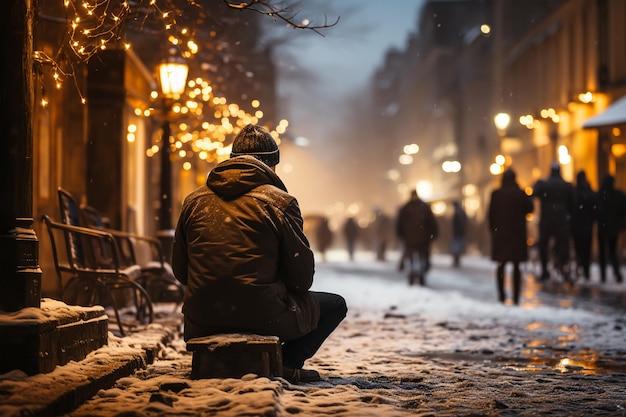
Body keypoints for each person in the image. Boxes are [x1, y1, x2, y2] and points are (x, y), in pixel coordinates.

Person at [172, 124, 347, 383]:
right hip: (264, 318)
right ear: (271, 165)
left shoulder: (194, 201)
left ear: (231, 161)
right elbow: (301, 279)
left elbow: (180, 270)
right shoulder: (280, 203)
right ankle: (287, 364)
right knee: (335, 305)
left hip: (203, 318)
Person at [488, 169, 534, 304]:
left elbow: (490, 215)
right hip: (517, 234)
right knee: (516, 265)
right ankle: (515, 297)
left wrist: (493, 231)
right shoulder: (520, 193)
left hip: (501, 235)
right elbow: (530, 209)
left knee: (501, 265)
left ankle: (502, 295)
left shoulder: (496, 194)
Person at [532, 162, 575, 281]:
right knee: (563, 244)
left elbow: (533, 194)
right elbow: (573, 203)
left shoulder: (543, 185)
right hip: (562, 220)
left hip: (547, 220)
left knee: (543, 244)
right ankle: (563, 266)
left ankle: (545, 270)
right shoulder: (566, 186)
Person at [396, 190, 439, 285]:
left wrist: (401, 235)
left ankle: (412, 273)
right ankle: (421, 274)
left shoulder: (405, 208)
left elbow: (399, 224)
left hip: (409, 238)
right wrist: (433, 234)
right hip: (423, 238)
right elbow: (432, 222)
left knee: (411, 256)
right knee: (422, 256)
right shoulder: (425, 207)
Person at [596, 174, 626, 283]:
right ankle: (616, 272)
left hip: (603, 228)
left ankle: (603, 275)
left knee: (603, 252)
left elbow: (596, 211)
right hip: (613, 228)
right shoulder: (618, 195)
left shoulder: (600, 195)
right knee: (612, 251)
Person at [571, 171, 598, 281]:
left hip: (577, 225)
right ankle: (585, 269)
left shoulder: (575, 192)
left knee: (579, 248)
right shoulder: (590, 192)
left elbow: (572, 208)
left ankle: (581, 266)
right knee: (587, 248)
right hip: (587, 224)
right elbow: (595, 208)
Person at [450, 200, 468, 267]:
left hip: (458, 233)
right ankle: (457, 260)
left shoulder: (458, 213)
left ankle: (456, 260)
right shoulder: (461, 212)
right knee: (457, 248)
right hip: (460, 233)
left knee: (456, 248)